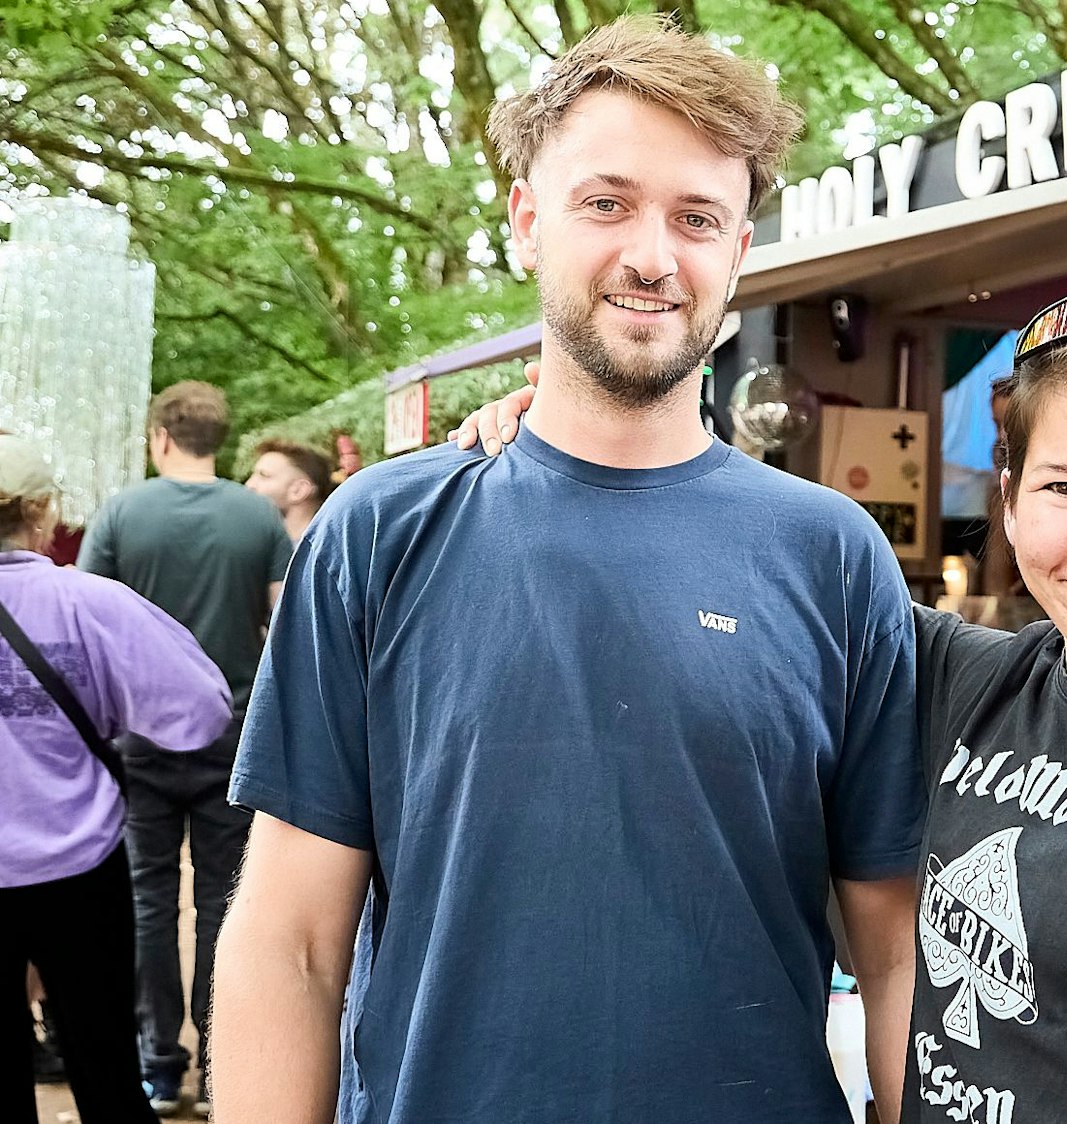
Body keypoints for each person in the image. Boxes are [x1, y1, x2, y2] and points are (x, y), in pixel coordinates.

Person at [460, 286, 1067, 1122]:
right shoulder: (970, 680)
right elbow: (753, 553)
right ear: (1010, 501)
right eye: (1063, 486)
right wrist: (584, 426)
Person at [209, 18, 923, 1124]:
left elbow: (895, 949)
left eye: (697, 218)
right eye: (607, 203)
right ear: (527, 220)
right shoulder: (378, 533)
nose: (653, 255)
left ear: (739, 251)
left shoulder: (833, 555)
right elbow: (291, 941)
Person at [1, 433, 234, 1123]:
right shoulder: (89, 603)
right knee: (104, 1065)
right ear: (42, 511)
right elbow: (200, 711)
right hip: (79, 862)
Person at [76, 380, 292, 1117]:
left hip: (138, 737)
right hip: (233, 733)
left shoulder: (121, 514)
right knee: (223, 903)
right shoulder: (257, 515)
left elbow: (88, 624)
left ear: (161, 437)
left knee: (149, 901)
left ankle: (159, 1069)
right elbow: (288, 625)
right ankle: (220, 1072)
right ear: (217, 439)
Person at [243, 438, 334, 542]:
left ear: (299, 490)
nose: (249, 485)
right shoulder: (254, 544)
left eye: (264, 476)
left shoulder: (325, 549)